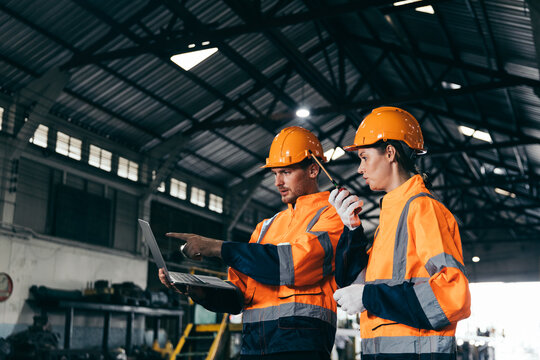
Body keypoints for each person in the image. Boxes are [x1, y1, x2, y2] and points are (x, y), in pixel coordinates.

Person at [159, 126, 344, 360]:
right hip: (254, 345)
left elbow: (294, 265)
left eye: (285, 172)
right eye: (275, 173)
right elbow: (238, 295)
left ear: (313, 169)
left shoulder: (333, 215)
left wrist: (217, 248)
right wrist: (197, 291)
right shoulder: (266, 227)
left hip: (301, 346)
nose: (278, 182)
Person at [328, 107, 471, 359]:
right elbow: (354, 283)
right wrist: (352, 230)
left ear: (390, 153)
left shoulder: (421, 207)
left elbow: (452, 295)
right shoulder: (392, 216)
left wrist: (370, 296)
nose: (360, 169)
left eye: (364, 157)